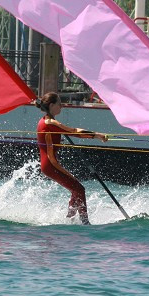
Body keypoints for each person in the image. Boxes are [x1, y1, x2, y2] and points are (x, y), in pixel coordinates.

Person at [35, 92, 108, 224]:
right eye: (59, 104)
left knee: (76, 188)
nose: (61, 107)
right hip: (51, 165)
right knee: (79, 189)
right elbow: (74, 131)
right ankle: (85, 223)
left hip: (49, 165)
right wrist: (97, 135)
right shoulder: (50, 122)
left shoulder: (47, 120)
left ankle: (70, 219)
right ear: (51, 105)